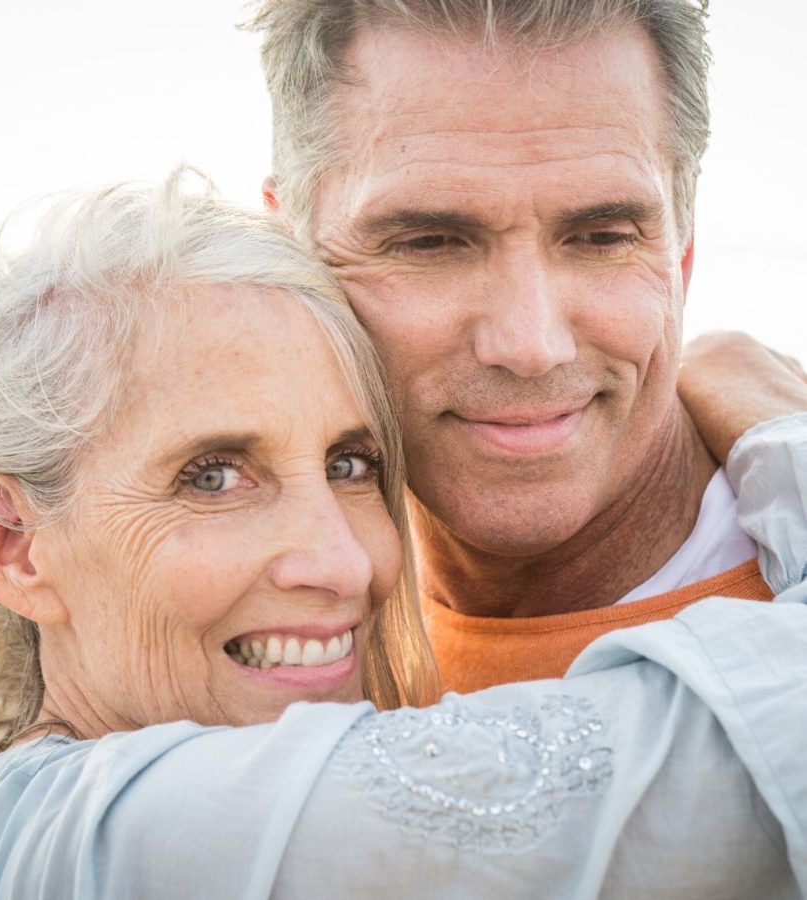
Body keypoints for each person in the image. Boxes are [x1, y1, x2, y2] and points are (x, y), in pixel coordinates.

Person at [0, 171, 807, 899]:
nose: (345, 564)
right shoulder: (132, 841)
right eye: (214, 476)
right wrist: (774, 431)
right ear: (14, 543)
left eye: (351, 466)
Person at [251, 0, 807, 690]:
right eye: (429, 242)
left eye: (603, 237)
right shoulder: (245, 628)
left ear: (681, 254)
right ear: (290, 255)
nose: (529, 345)